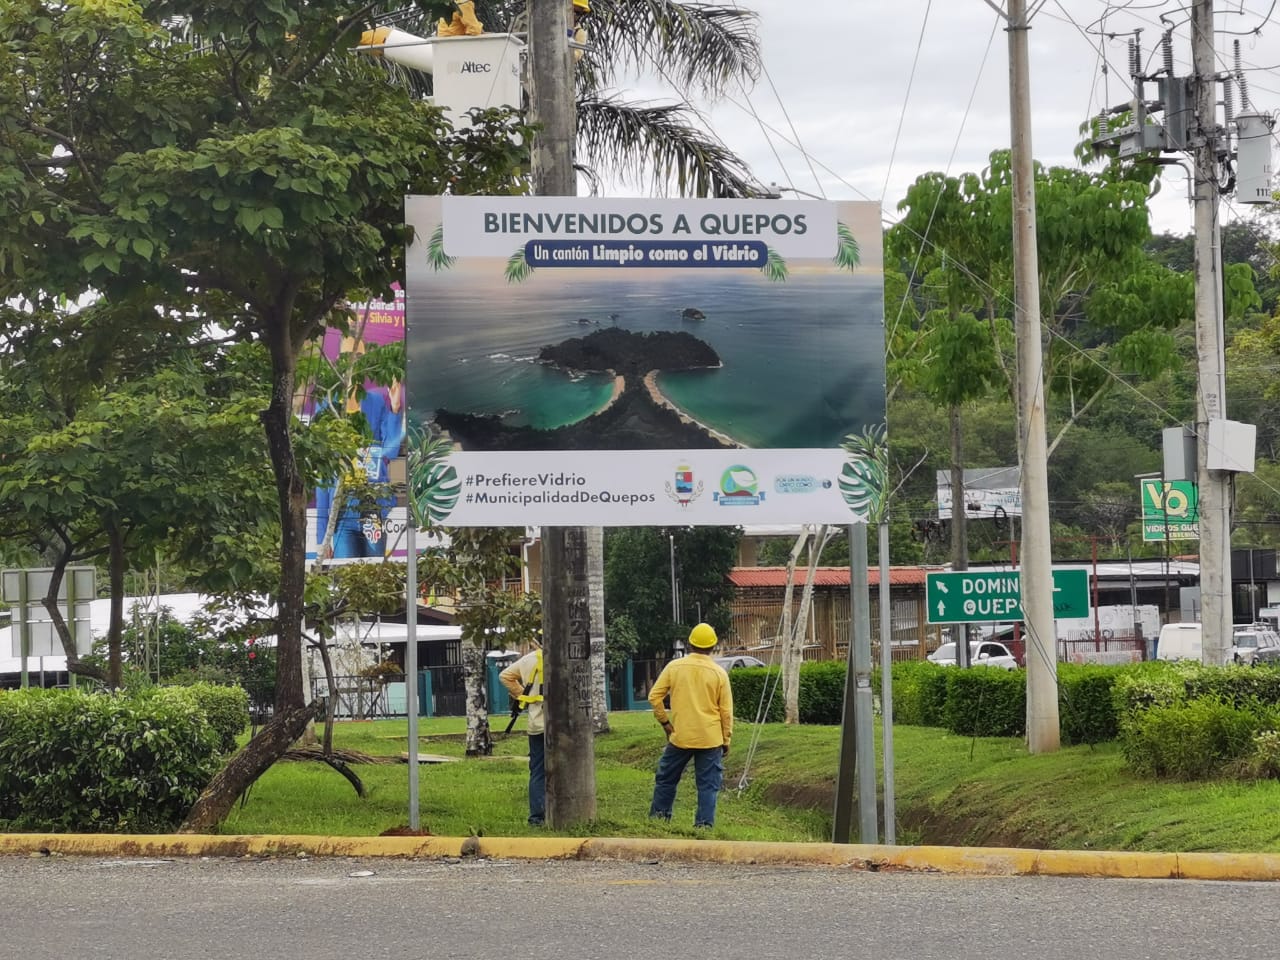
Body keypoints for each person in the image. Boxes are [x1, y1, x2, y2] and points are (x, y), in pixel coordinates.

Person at [647, 622, 734, 829]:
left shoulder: (674, 667)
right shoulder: (719, 673)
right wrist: (726, 739)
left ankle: (660, 818)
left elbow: (654, 697)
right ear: (713, 646)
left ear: (689, 644)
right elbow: (726, 712)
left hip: (680, 736)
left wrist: (666, 724)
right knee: (708, 786)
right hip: (710, 738)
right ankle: (704, 825)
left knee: (666, 778)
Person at [499, 639, 546, 826]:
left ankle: (537, 818)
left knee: (538, 772)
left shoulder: (529, 660)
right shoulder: (564, 658)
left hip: (536, 725)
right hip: (562, 727)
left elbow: (505, 676)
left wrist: (523, 697)